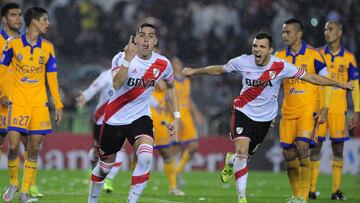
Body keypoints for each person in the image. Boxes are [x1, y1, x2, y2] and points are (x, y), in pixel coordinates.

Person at [182, 32, 353, 203]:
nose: (257, 50)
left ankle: (231, 161)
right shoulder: (243, 61)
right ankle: (242, 198)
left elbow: (311, 77)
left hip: (264, 119)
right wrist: (194, 71)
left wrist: (340, 84)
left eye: (262, 47)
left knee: (244, 156)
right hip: (243, 111)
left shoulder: (281, 66)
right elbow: (220, 69)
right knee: (242, 153)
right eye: (255, 46)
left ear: (270, 50)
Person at [87, 23, 180, 203]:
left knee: (145, 157)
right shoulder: (120, 57)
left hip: (141, 118)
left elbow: (171, 86)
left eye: (150, 36)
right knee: (105, 167)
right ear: (136, 39)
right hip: (115, 118)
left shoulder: (163, 63)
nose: (146, 39)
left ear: (155, 41)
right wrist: (127, 61)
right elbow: (116, 84)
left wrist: (176, 116)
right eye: (142, 35)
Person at [1, 7, 63, 203]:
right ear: (34, 21)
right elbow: (2, 70)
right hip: (18, 103)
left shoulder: (48, 47)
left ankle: (25, 192)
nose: (48, 23)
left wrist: (58, 105)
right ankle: (13, 183)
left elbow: (52, 79)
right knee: (12, 147)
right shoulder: (13, 44)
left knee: (34, 149)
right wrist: (4, 94)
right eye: (44, 20)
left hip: (39, 105)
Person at [275, 18, 333, 202]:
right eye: (283, 32)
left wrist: (325, 107)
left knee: (302, 147)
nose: (284, 35)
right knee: (288, 154)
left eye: (288, 32)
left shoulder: (313, 54)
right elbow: (273, 85)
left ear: (299, 34)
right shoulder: (279, 57)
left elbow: (327, 82)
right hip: (288, 111)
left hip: (309, 109)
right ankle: (296, 194)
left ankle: (304, 196)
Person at [309, 21, 360, 200]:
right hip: (320, 109)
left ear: (339, 32)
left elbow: (354, 85)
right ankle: (311, 190)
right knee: (315, 148)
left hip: (339, 110)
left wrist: (357, 110)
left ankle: (335, 191)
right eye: (325, 29)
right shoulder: (317, 54)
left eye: (330, 29)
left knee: (338, 149)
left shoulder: (348, 57)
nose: (326, 32)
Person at [76, 69, 127, 193]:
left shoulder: (133, 73)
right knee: (97, 150)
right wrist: (85, 97)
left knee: (120, 149)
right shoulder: (107, 74)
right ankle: (93, 170)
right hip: (101, 119)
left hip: (121, 119)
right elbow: (96, 86)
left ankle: (109, 179)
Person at [171, 57, 205, 185]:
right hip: (177, 117)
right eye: (174, 63)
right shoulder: (171, 81)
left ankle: (178, 170)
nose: (177, 65)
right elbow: (169, 100)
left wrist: (197, 114)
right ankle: (174, 178)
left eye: (178, 63)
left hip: (187, 117)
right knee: (176, 148)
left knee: (193, 146)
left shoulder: (186, 81)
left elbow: (188, 99)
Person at [151, 79, 185, 196]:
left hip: (159, 120)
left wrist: (175, 118)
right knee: (137, 153)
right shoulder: (149, 74)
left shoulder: (162, 83)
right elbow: (161, 85)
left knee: (167, 153)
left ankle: (173, 187)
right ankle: (134, 184)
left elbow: (168, 99)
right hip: (148, 118)